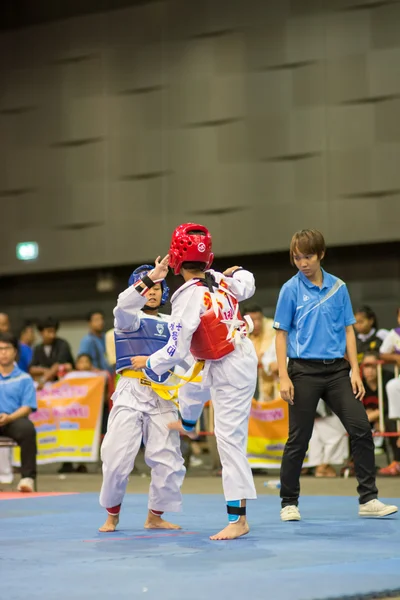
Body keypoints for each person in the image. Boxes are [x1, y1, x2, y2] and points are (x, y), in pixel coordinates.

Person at [131, 223, 258, 541]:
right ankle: (188, 420)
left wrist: (149, 362)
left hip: (231, 366)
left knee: (229, 441)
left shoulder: (187, 296)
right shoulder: (219, 279)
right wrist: (234, 272)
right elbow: (248, 285)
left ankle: (238, 519)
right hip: (227, 357)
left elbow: (176, 348)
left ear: (175, 259)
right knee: (194, 381)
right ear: (208, 257)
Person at [274, 228, 397, 521]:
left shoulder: (338, 287)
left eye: (308, 257)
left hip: (337, 372)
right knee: (298, 439)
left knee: (361, 428)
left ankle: (368, 499)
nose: (302, 263)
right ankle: (289, 502)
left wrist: (354, 369)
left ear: (321, 255)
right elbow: (281, 335)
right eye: (297, 257)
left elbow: (348, 331)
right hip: (303, 371)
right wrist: (283, 375)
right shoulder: (290, 289)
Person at [99, 259, 187, 533]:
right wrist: (151, 276)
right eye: (148, 287)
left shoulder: (174, 323)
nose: (152, 291)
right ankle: (112, 514)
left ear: (165, 293)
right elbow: (123, 304)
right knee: (116, 458)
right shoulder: (128, 319)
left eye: (159, 287)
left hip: (163, 395)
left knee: (168, 460)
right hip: (130, 393)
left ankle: (155, 516)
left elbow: (186, 359)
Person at [0, 332, 37, 492]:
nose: (3, 352)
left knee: (28, 429)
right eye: (0, 349)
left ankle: (27, 478)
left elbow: (27, 406)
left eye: (7, 348)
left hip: (13, 419)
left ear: (15, 351)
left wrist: (9, 418)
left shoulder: (24, 378)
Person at [360, 351, 400, 476]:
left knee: (390, 422)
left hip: (386, 417)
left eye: (373, 366)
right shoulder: (359, 382)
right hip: (369, 418)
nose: (369, 370)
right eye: (366, 366)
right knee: (355, 424)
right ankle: (356, 463)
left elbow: (391, 406)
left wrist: (377, 416)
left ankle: (396, 462)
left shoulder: (389, 378)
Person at [243, 304, 276, 401]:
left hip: (272, 376)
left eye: (259, 319)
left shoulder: (271, 326)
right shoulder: (240, 330)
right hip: (248, 377)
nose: (257, 323)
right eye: (252, 320)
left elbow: (264, 356)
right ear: (245, 321)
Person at [29, 317, 74, 387]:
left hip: (64, 382)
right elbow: (32, 368)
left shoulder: (63, 344)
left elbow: (58, 365)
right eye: (49, 331)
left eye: (54, 332)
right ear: (41, 332)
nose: (52, 335)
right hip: (48, 383)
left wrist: (43, 380)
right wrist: (46, 371)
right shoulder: (38, 348)